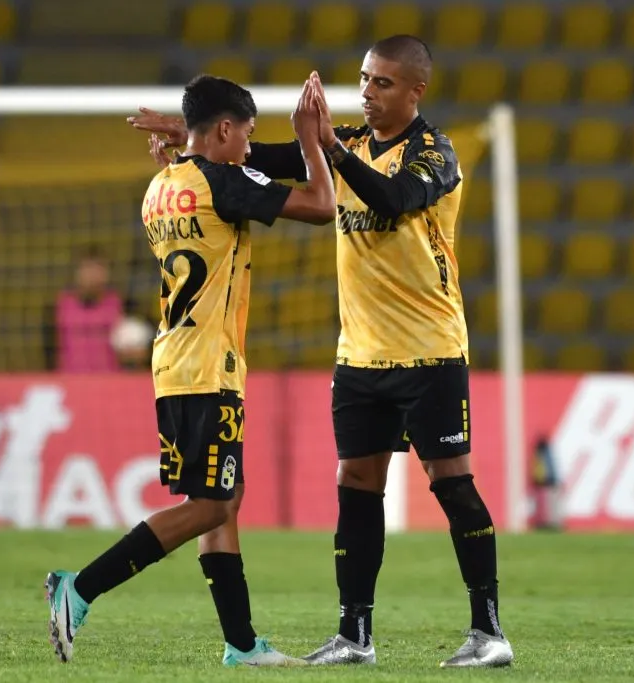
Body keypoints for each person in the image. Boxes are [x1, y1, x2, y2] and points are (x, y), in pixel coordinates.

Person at [130, 35, 513, 669]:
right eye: (364, 79)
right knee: (356, 485)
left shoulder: (434, 153)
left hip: (429, 348)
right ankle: (354, 635)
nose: (367, 92)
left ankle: (488, 631)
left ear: (416, 90)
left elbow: (393, 201)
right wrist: (191, 138)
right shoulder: (351, 145)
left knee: (450, 481)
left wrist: (329, 147)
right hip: (359, 352)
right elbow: (258, 156)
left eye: (383, 83)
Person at [45, 73, 336, 666]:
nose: (249, 148)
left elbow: (205, 184)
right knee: (210, 506)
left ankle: (242, 645)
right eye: (246, 136)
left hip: (176, 360)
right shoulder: (223, 182)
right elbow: (321, 206)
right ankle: (79, 588)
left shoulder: (162, 184)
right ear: (225, 129)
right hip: (207, 364)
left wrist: (186, 146)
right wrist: (309, 139)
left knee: (225, 496)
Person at [43, 244, 136, 373]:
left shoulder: (118, 303)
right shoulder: (62, 304)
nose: (93, 275)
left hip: (109, 378)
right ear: (78, 272)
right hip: (69, 377)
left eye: (99, 269)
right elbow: (49, 348)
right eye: (88, 268)